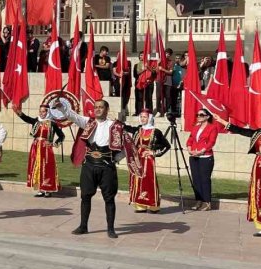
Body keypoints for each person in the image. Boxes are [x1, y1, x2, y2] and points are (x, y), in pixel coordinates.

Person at [53, 98, 136, 238]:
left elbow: (126, 147)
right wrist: (61, 107)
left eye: (101, 107)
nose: (97, 109)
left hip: (106, 167)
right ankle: (83, 226)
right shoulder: (88, 122)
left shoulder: (116, 126)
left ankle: (111, 229)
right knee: (85, 196)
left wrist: (115, 159)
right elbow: (73, 116)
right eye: (96, 107)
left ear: (107, 109)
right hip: (89, 166)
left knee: (109, 198)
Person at [214, 110, 261, 236]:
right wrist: (221, 121)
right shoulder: (259, 133)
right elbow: (242, 131)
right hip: (258, 166)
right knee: (258, 194)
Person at [12, 102, 64, 197]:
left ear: (47, 112)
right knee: (36, 167)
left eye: (43, 112)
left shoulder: (52, 123)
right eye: (40, 111)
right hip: (35, 147)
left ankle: (47, 190)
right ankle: (40, 189)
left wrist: (54, 144)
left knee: (47, 167)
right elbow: (26, 118)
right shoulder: (36, 121)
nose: (41, 113)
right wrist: (19, 112)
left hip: (46, 148)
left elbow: (61, 136)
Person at [123, 110, 171, 213]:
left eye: (145, 117)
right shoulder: (138, 130)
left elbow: (166, 146)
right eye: (141, 117)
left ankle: (153, 205)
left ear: (149, 118)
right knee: (137, 178)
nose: (142, 119)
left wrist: (154, 152)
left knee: (149, 180)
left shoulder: (156, 131)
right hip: (137, 158)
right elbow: (126, 127)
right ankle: (140, 205)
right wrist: (116, 123)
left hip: (148, 159)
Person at [185, 109, 219, 211]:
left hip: (205, 157)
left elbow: (211, 142)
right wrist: (189, 149)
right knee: (196, 180)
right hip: (194, 156)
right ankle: (198, 200)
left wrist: (201, 151)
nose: (199, 116)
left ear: (207, 116)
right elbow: (190, 139)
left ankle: (207, 202)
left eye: (201, 115)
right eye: (198, 115)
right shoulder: (195, 127)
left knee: (204, 180)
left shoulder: (212, 128)